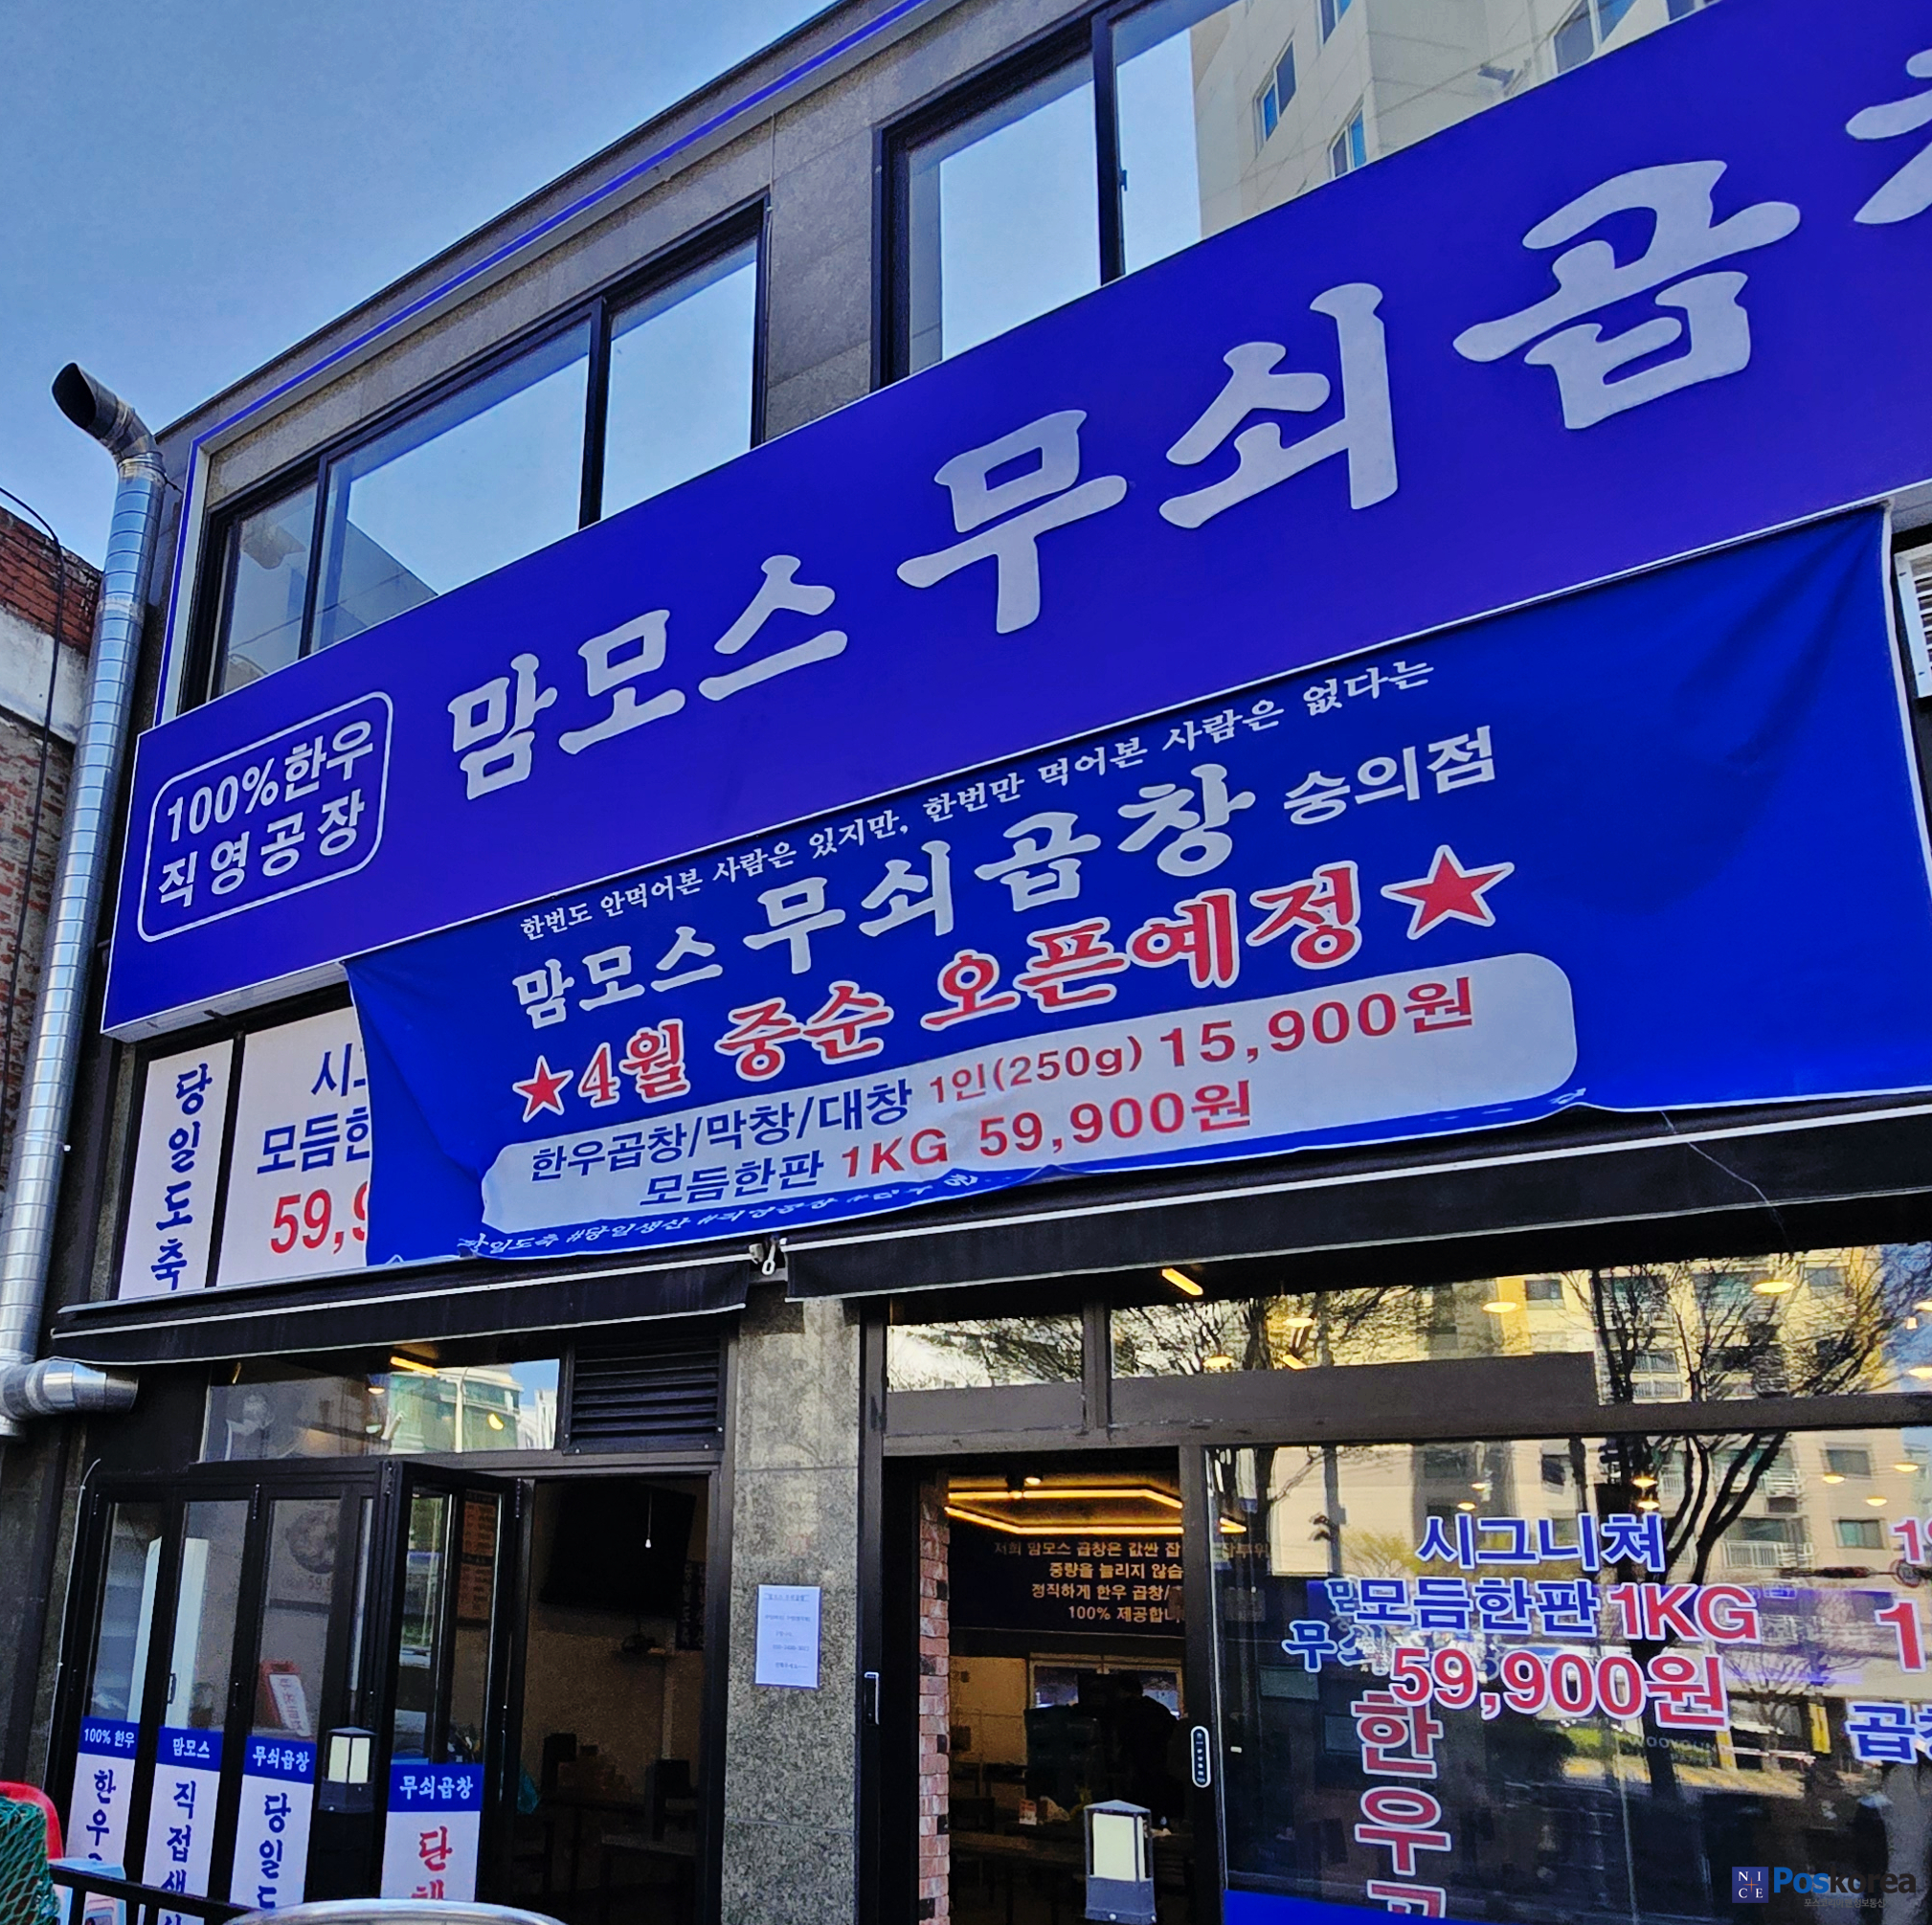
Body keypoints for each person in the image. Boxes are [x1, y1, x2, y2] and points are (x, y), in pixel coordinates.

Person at [1112, 1674, 1179, 1828]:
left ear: (1122, 1691)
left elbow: (1122, 1741)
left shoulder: (1126, 1711)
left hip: (1137, 1769)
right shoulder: (1158, 1710)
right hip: (1160, 1768)